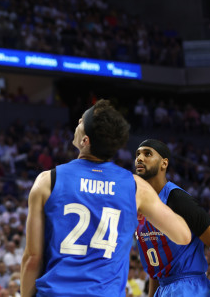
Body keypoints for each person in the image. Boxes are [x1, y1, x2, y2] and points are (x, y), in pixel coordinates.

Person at [20, 99, 192, 297]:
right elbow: (183, 236)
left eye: (81, 122)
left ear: (85, 141)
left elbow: (32, 258)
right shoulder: (136, 187)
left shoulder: (48, 181)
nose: (77, 121)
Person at [135, 138, 210, 297]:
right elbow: (157, 269)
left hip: (189, 287)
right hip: (164, 288)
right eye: (137, 154)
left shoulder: (177, 199)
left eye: (147, 154)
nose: (140, 158)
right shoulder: (139, 205)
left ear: (164, 163)